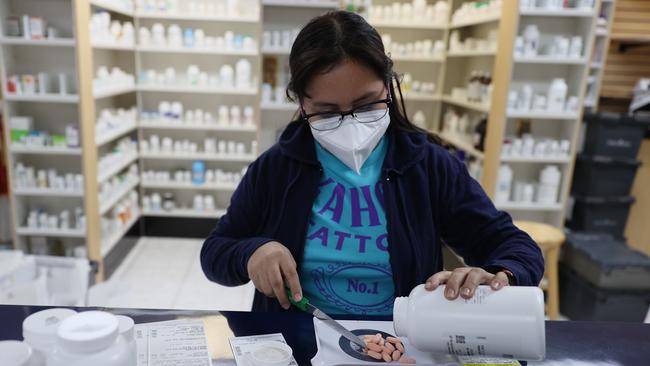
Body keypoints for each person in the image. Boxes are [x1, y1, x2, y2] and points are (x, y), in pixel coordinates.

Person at [201, 11, 544, 314]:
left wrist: (501, 274)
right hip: (299, 339)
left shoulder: (428, 166)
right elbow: (215, 253)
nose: (350, 123)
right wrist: (251, 253)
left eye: (366, 105)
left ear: (389, 88)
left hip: (404, 341)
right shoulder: (276, 169)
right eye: (327, 111)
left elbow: (513, 245)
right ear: (302, 104)